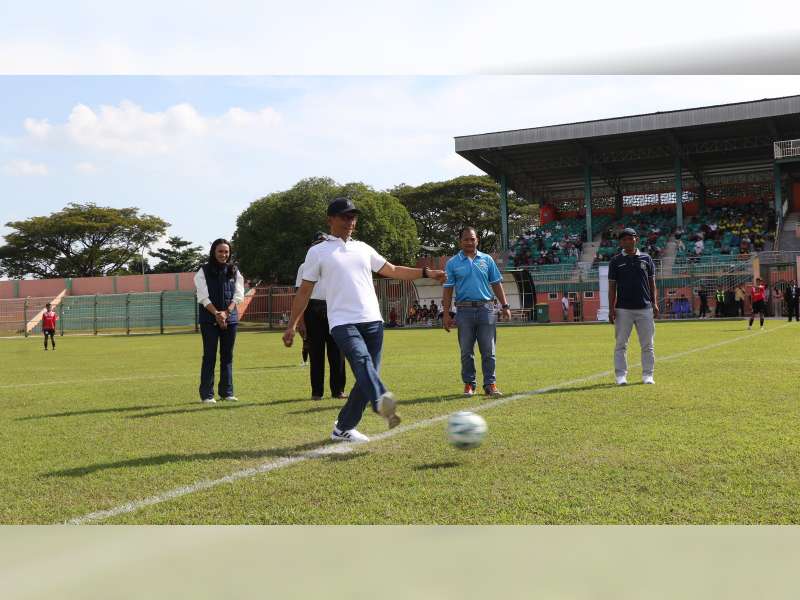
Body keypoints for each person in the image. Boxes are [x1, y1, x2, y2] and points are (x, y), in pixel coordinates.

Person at [282, 197, 445, 443]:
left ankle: (343, 428)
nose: (350, 221)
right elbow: (304, 291)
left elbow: (392, 270)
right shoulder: (317, 252)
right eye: (345, 216)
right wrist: (292, 325)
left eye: (353, 217)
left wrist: (427, 273)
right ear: (330, 220)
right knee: (362, 362)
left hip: (373, 321)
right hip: (342, 322)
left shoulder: (363, 248)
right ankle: (382, 402)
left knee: (366, 375)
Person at [442, 226, 511, 397]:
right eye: (466, 239)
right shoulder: (452, 263)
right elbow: (448, 289)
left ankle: (490, 384)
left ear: (477, 240)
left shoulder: (487, 260)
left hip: (486, 309)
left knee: (489, 350)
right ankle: (469, 384)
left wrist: (505, 306)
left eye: (472, 239)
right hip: (463, 310)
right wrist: (446, 313)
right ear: (460, 242)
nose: (469, 242)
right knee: (466, 351)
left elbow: (496, 283)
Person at [295, 232, 347, 401]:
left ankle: (338, 390)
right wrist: (300, 321)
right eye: (318, 243)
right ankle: (317, 392)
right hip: (312, 308)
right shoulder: (304, 266)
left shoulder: (337, 263)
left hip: (334, 307)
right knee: (316, 352)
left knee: (337, 351)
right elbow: (300, 295)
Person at [194, 238, 244, 404]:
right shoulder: (203, 271)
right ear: (213, 252)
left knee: (227, 356)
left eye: (226, 252)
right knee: (209, 356)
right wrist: (217, 313)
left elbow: (238, 295)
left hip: (230, 319)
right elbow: (202, 296)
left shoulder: (234, 271)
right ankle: (207, 395)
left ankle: (227, 393)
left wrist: (227, 313)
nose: (223, 254)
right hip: (209, 320)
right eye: (220, 251)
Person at [608, 228, 659, 385]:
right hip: (623, 309)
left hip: (645, 308)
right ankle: (621, 376)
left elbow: (652, 283)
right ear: (620, 242)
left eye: (630, 238)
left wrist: (655, 303)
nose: (627, 242)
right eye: (623, 239)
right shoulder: (615, 261)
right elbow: (612, 287)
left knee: (648, 345)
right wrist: (611, 309)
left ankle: (648, 375)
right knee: (620, 344)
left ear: (636, 239)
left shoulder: (646, 258)